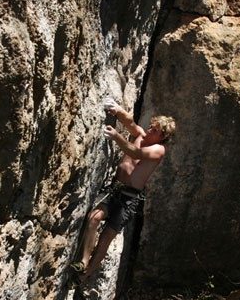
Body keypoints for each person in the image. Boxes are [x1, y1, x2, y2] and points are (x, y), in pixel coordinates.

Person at [70, 97, 176, 285]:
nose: (150, 130)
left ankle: (85, 275)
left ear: (162, 137)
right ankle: (83, 262)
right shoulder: (140, 136)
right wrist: (117, 110)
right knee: (93, 218)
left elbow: (136, 154)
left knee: (105, 239)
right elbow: (131, 123)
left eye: (156, 130)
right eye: (152, 126)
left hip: (129, 199)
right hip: (115, 189)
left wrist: (116, 137)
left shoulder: (159, 149)